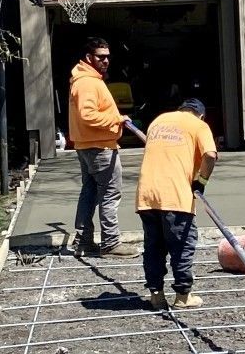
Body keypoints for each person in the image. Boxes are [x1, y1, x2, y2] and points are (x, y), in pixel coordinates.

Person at [135, 98, 218, 310]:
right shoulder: (199, 125)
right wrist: (202, 181)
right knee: (182, 246)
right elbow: (210, 155)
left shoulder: (159, 121)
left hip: (147, 195)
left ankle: (156, 295)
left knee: (154, 247)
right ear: (200, 114)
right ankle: (183, 296)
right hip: (175, 194)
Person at [69, 36, 139, 257]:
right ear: (89, 58)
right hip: (99, 147)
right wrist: (116, 121)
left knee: (89, 193)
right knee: (110, 194)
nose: (106, 61)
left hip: (88, 145)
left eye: (108, 56)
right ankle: (110, 243)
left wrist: (116, 117)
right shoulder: (88, 82)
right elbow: (87, 115)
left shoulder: (86, 79)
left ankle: (83, 242)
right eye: (101, 57)